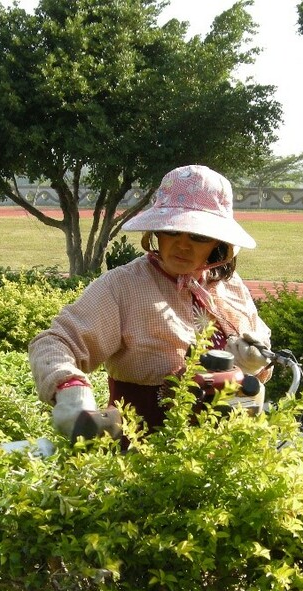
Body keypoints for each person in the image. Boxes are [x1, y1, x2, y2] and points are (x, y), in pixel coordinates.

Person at [28, 164, 273, 440]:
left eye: (198, 236)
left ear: (218, 243)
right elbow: (55, 342)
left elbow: (259, 343)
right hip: (145, 454)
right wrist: (71, 390)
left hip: (230, 453)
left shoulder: (229, 285)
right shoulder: (123, 286)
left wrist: (252, 362)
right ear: (155, 232)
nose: (182, 245)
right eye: (171, 231)